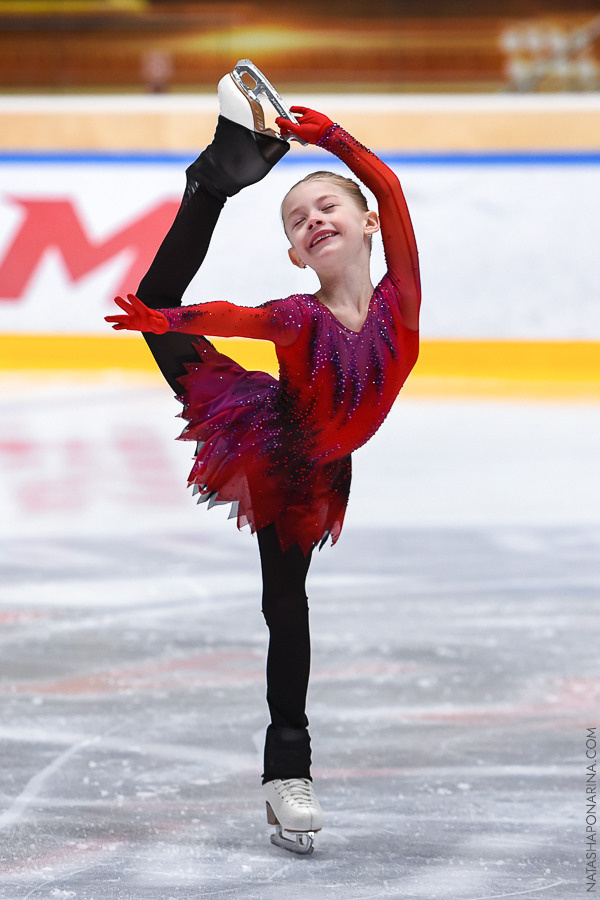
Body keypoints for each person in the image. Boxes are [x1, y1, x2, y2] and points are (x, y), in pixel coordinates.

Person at [105, 63, 421, 854]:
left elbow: (392, 189)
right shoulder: (295, 313)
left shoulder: (402, 298)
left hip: (321, 468)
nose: (313, 220)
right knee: (286, 607)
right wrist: (164, 316)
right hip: (268, 440)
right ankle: (210, 184)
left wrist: (334, 140)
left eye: (326, 206)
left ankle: (286, 774)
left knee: (288, 608)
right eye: (296, 220)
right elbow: (235, 318)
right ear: (292, 254)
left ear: (366, 223)